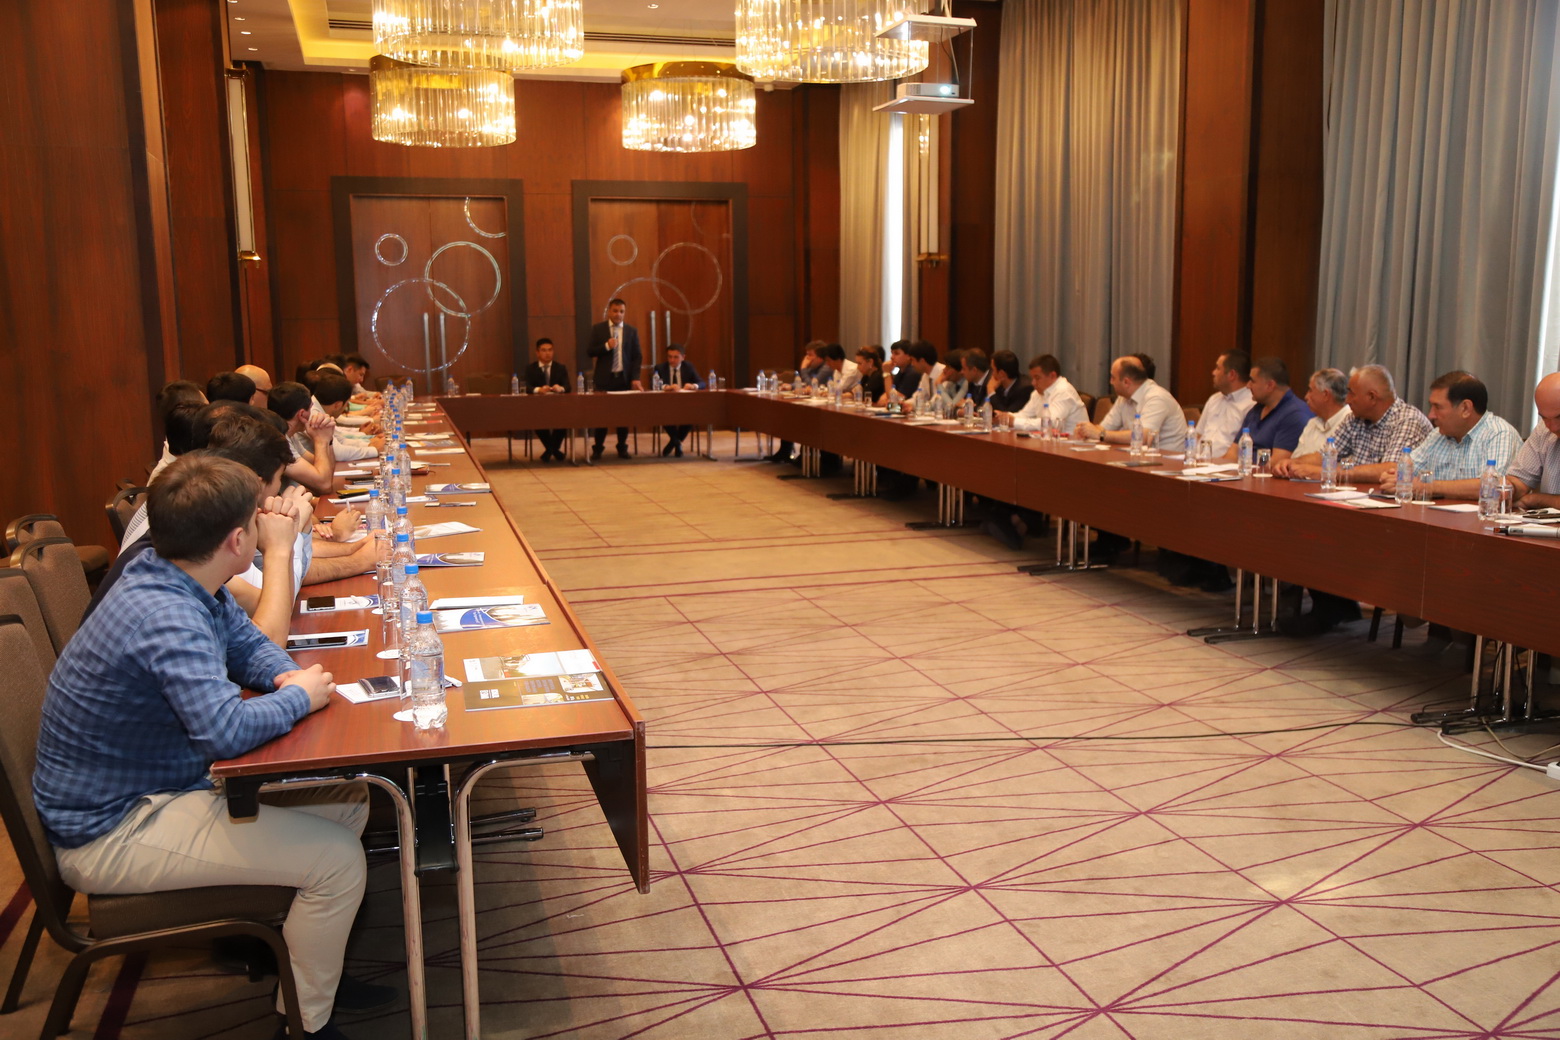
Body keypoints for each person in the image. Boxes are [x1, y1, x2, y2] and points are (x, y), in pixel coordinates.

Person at [33, 453, 392, 1040]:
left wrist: (282, 675)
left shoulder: (175, 573)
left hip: (158, 787)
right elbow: (223, 731)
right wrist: (298, 698)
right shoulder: (165, 614)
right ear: (236, 541)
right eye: (255, 520)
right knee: (337, 861)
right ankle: (306, 1027)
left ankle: (308, 974)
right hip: (114, 828)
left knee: (346, 801)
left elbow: (247, 645)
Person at [1272, 364, 1431, 482]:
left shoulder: (1408, 420)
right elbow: (1324, 456)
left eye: (1351, 394)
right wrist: (1292, 463)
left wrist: (1324, 472)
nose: (1347, 400)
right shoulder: (1355, 418)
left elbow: (1392, 468)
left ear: (1372, 397)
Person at [1376, 371, 1520, 500]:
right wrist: (1394, 478)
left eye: (1438, 407)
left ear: (1465, 409)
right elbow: (1407, 471)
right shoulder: (1437, 435)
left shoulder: (1499, 434)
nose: (1431, 415)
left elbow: (1494, 487)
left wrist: (1427, 486)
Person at [1074, 355, 1186, 454]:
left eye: (1113, 378)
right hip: (1139, 457)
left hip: (1166, 461)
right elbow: (1104, 428)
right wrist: (1086, 430)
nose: (1110, 382)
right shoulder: (1123, 398)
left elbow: (1142, 437)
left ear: (1126, 382)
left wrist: (1101, 434)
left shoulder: (1157, 398)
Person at [586, 297, 643, 460]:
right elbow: (590, 351)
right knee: (601, 416)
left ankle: (622, 447)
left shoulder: (631, 331)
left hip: (623, 379)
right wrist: (606, 346)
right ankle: (598, 448)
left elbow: (637, 356)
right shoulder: (598, 329)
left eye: (621, 311)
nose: (618, 314)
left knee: (622, 416)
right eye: (615, 311)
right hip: (604, 379)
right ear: (609, 312)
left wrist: (635, 378)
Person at [1223, 357, 1313, 459]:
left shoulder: (1295, 415)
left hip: (1260, 469)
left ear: (1270, 385)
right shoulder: (1256, 409)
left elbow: (1277, 462)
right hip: (1242, 467)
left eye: (1252, 381)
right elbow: (1232, 454)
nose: (1248, 386)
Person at [268, 382, 339, 494]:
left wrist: (328, 440)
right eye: (311, 408)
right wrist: (321, 441)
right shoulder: (277, 441)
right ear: (302, 414)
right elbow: (324, 485)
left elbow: (326, 471)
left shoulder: (291, 435)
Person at [1506, 371, 1560, 508]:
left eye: (1559, 417)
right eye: (1544, 417)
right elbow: (1520, 479)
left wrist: (1533, 500)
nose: (1553, 427)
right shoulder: (1543, 429)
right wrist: (1509, 488)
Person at [1002, 354, 1088, 432]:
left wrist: (1015, 422)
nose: (1033, 383)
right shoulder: (1038, 393)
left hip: (1073, 441)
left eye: (1037, 378)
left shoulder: (1064, 391)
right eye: (1032, 378)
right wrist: (1005, 417)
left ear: (1052, 376)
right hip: (1051, 440)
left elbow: (1050, 423)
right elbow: (1025, 415)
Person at [1193, 350, 1253, 457]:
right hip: (1198, 461)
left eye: (1217, 368)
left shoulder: (1251, 404)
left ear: (1232, 375)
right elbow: (1198, 435)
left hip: (1224, 464)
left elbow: (1242, 450)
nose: (1213, 372)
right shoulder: (1214, 399)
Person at [1288, 368, 1351, 462]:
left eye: (1310, 390)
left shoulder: (1351, 422)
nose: (1306, 397)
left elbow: (1335, 463)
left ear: (1325, 395)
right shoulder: (1312, 423)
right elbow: (1295, 459)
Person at [524, 337, 570, 462]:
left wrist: (560, 388)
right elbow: (525, 387)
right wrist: (538, 390)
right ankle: (554, 450)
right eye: (544, 350)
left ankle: (550, 450)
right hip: (538, 407)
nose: (547, 353)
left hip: (558, 407)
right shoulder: (530, 369)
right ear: (537, 352)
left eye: (550, 350)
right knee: (537, 420)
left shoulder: (560, 368)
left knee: (564, 420)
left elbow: (568, 386)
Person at [653, 344, 702, 457]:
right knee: (663, 415)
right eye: (669, 357)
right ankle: (677, 442)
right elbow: (653, 384)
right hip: (666, 404)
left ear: (683, 357)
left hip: (685, 404)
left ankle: (673, 442)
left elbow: (701, 383)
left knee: (691, 416)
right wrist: (667, 387)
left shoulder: (688, 367)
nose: (672, 360)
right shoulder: (660, 368)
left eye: (675, 357)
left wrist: (693, 386)